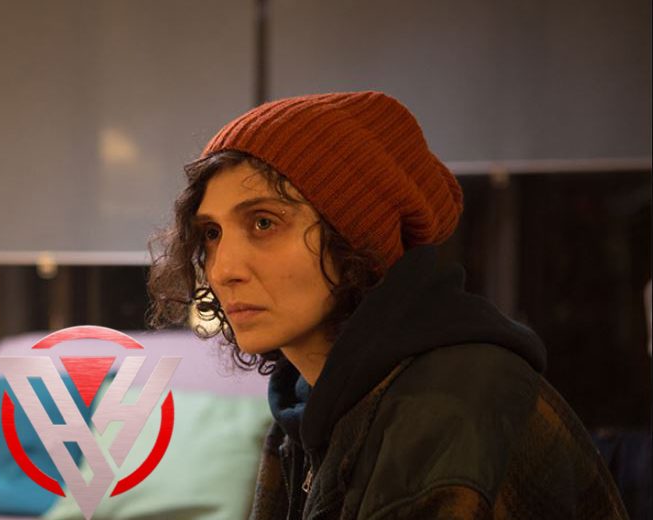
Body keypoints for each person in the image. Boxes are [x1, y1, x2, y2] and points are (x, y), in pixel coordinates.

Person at [146, 92, 629, 519]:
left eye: (264, 223)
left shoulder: (445, 408)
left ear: (356, 237)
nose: (223, 268)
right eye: (212, 233)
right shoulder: (304, 406)